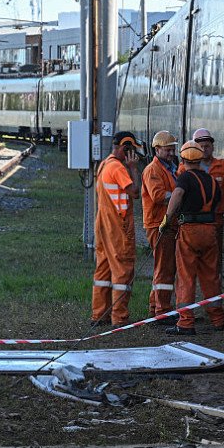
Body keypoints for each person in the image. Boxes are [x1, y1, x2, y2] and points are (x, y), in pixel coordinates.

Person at [160, 140, 224, 334]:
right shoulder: (212, 180)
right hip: (210, 230)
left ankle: (186, 322)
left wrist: (166, 219)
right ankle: (217, 318)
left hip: (190, 231)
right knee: (210, 276)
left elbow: (177, 196)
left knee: (186, 276)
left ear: (184, 158)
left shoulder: (185, 178)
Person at [183, 128, 224, 279]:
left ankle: (213, 285)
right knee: (190, 262)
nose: (205, 149)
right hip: (191, 223)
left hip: (215, 220)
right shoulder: (184, 168)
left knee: (213, 262)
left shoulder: (222, 165)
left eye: (207, 146)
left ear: (212, 147)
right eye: (201, 146)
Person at [92, 131, 143, 326]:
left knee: (103, 270)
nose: (133, 156)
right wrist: (133, 169)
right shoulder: (119, 168)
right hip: (117, 225)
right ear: (125, 148)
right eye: (131, 151)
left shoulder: (105, 164)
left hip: (103, 222)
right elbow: (135, 192)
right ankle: (119, 317)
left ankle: (99, 314)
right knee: (122, 270)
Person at [141, 130, 180, 320]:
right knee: (164, 269)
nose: (172, 153)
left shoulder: (170, 167)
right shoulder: (152, 170)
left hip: (166, 223)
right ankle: (162, 312)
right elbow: (157, 195)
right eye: (168, 150)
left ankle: (155, 308)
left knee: (162, 268)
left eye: (173, 149)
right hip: (159, 224)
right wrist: (179, 196)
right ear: (157, 149)